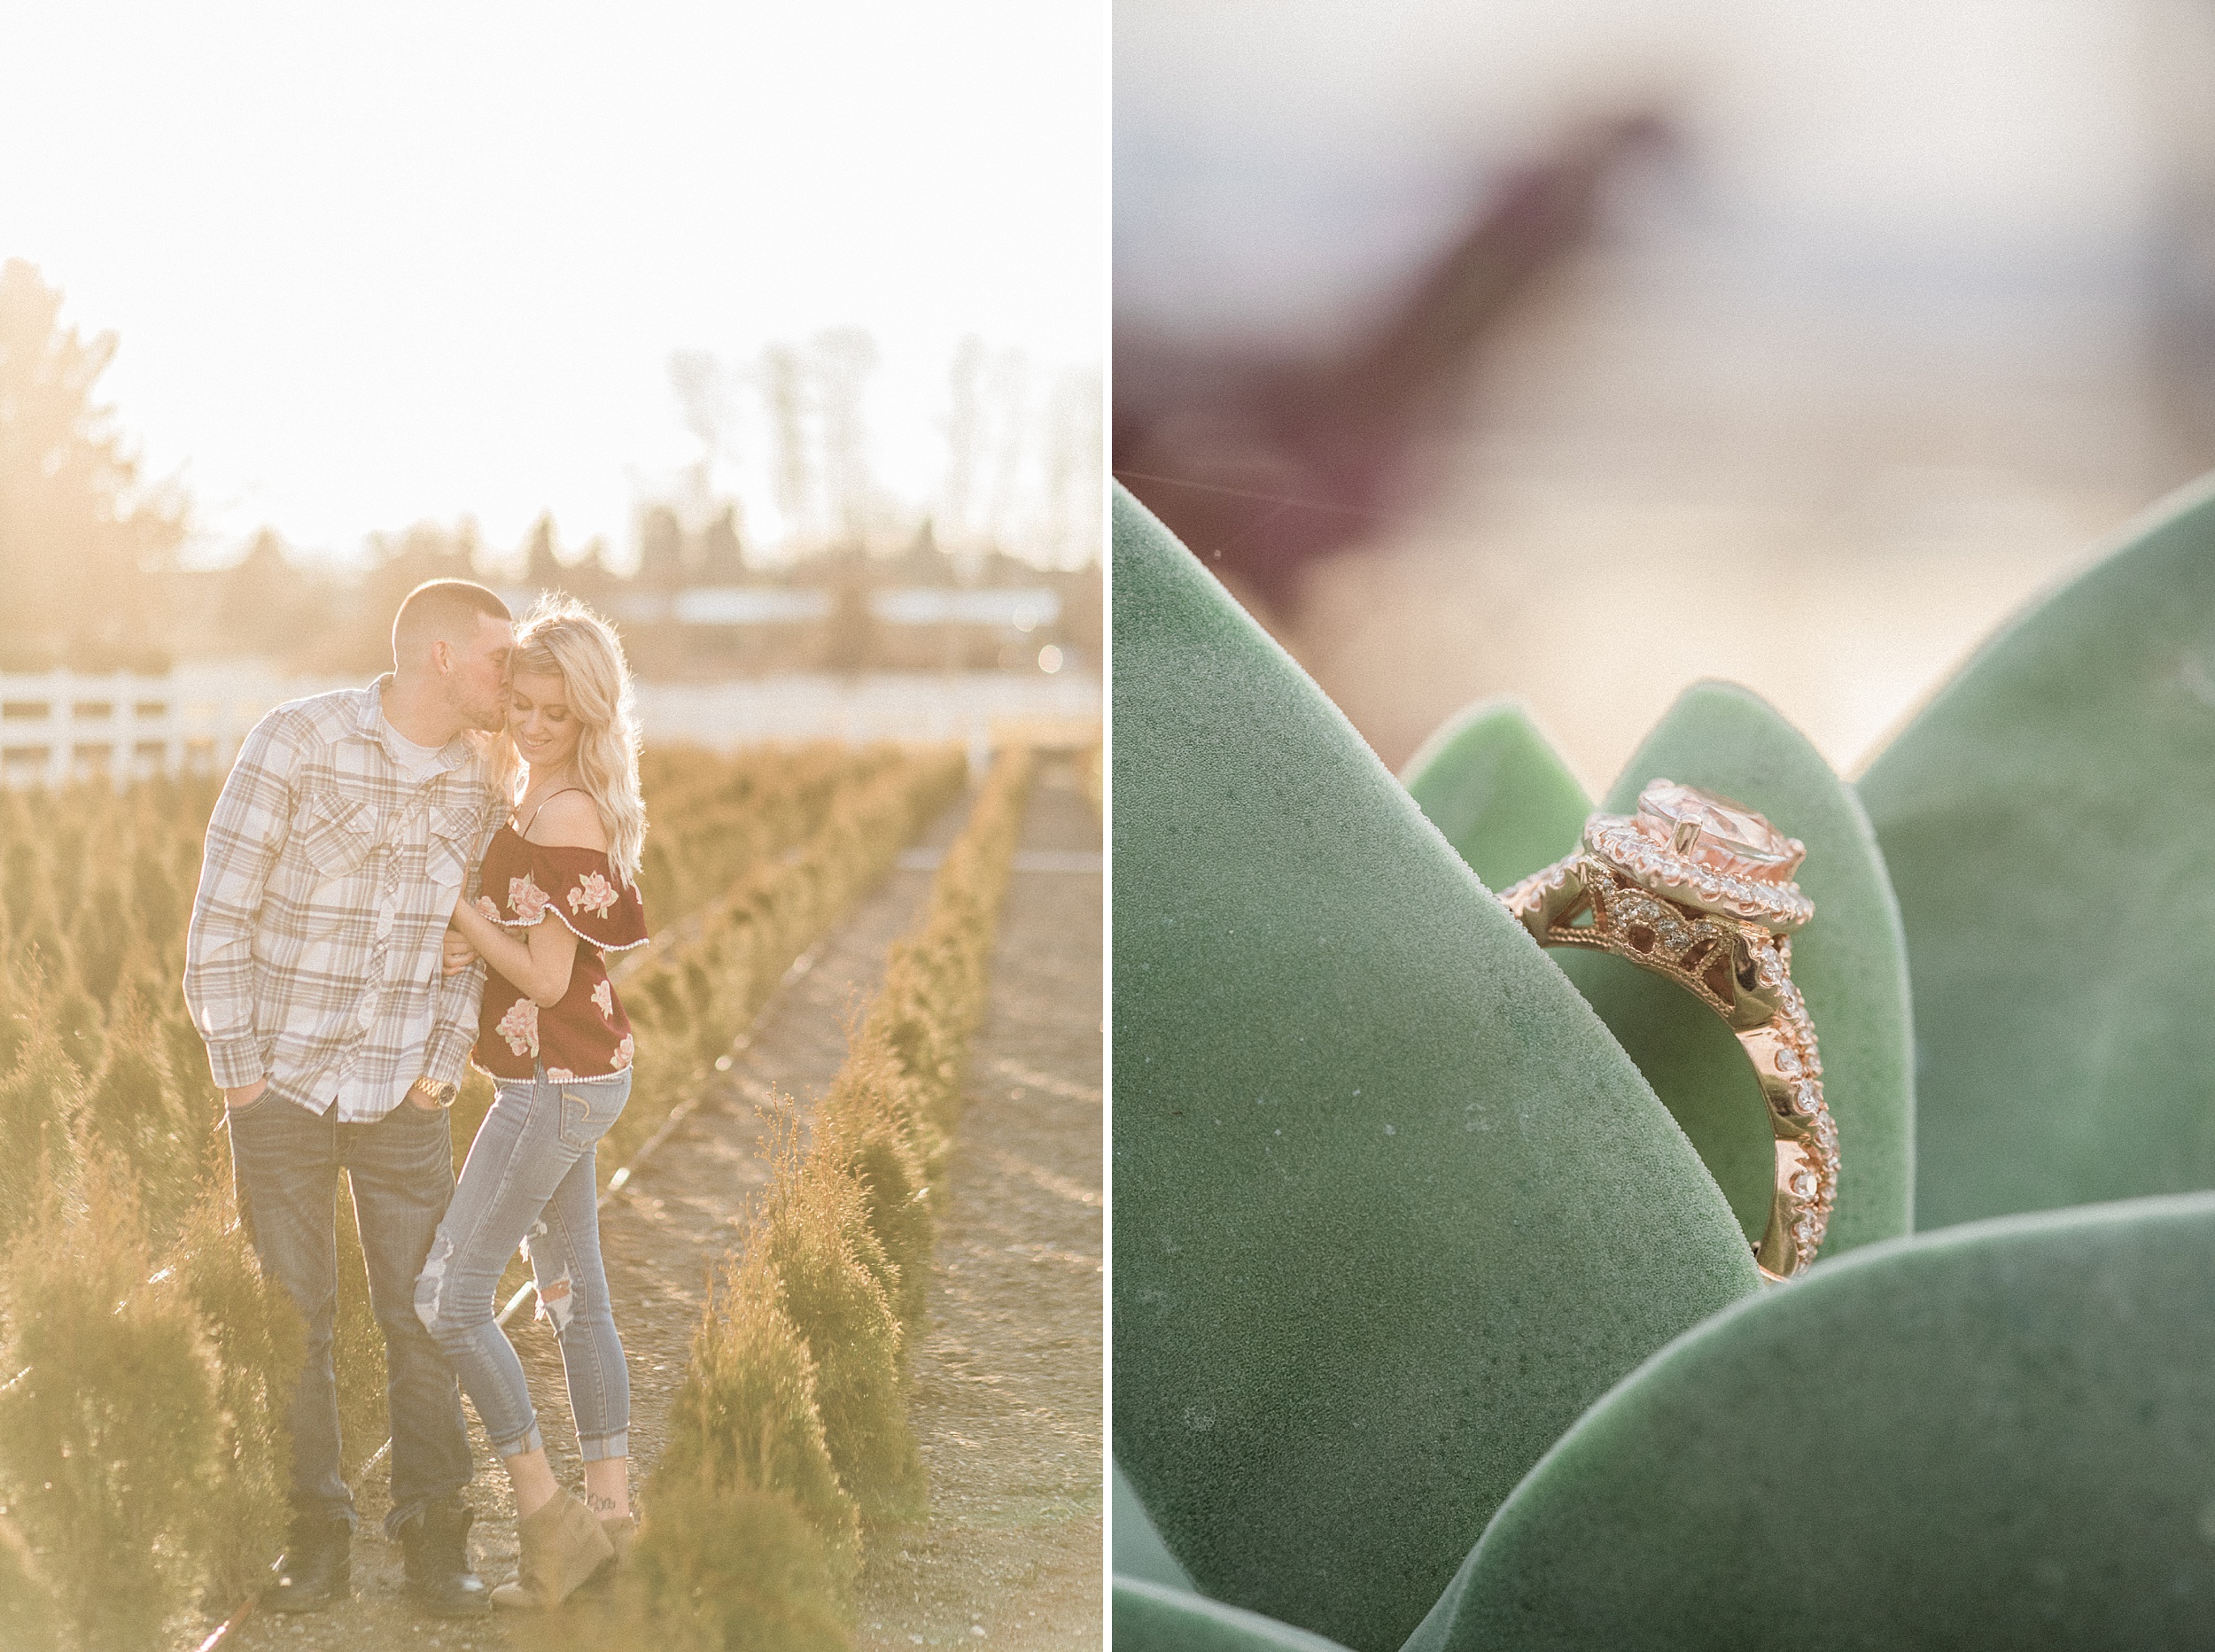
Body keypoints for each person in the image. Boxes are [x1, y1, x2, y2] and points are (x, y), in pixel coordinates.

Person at [183, 579, 514, 1617]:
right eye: (503, 657)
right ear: (444, 657)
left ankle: (434, 1535)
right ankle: (311, 1534)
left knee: (424, 1314)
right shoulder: (296, 740)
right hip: (276, 1083)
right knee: (295, 1319)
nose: (518, 675)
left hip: (401, 1097)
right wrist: (239, 1070)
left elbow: (469, 958)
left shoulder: (481, 791)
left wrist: (439, 1070)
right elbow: (218, 913)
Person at [416, 594, 649, 1609]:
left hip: (553, 1082)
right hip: (574, 1071)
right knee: (572, 1296)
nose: (537, 723)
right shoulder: (539, 795)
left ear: (590, 715)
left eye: (559, 711)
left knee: (447, 1299)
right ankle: (611, 1514)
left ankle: (552, 1523)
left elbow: (549, 979)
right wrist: (485, 933)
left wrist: (457, 907)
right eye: (526, 703)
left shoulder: (563, 811)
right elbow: (538, 958)